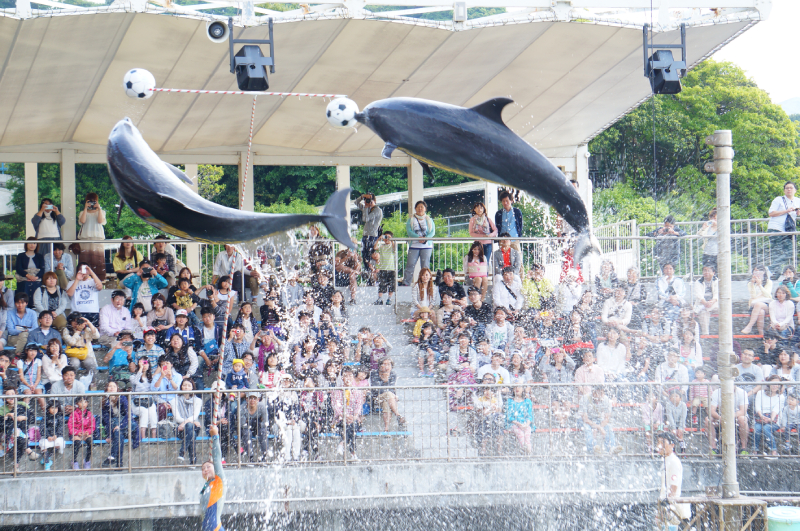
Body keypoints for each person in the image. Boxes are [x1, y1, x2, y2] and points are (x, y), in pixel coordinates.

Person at [655, 432, 691, 527]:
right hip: (664, 504)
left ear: (672, 445)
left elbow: (673, 487)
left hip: (670, 507)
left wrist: (668, 507)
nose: (659, 446)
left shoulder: (673, 461)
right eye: (658, 443)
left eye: (663, 443)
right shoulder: (665, 460)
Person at [707, 381, 750, 455]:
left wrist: (730, 417)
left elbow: (742, 411)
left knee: (742, 419)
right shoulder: (716, 392)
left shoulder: (742, 392)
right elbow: (711, 410)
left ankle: (744, 448)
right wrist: (720, 417)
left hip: (737, 416)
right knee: (708, 420)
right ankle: (713, 448)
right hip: (722, 416)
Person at [768, 182, 800, 277]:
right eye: (786, 188)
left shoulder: (798, 200)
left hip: (788, 230)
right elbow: (771, 213)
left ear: (795, 190)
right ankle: (776, 273)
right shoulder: (778, 199)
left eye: (791, 188)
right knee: (776, 251)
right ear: (784, 190)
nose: (789, 190)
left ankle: (772, 267)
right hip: (775, 228)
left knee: (790, 251)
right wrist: (786, 211)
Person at [332, 366, 365, 460]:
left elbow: (358, 406)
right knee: (347, 426)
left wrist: (354, 417)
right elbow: (336, 406)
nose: (348, 378)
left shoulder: (357, 391)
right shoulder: (337, 390)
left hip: (353, 419)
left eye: (350, 375)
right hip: (340, 419)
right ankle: (353, 453)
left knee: (352, 426)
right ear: (342, 378)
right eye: (345, 376)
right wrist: (344, 416)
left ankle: (342, 444)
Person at [580, 386, 622, 455]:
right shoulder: (585, 398)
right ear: (593, 393)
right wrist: (599, 427)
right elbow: (585, 419)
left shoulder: (606, 400)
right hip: (583, 420)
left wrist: (600, 427)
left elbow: (607, 418)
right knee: (587, 428)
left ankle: (611, 448)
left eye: (601, 393)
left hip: (598, 419)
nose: (599, 396)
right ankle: (593, 448)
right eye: (597, 393)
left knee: (608, 427)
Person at [402, 200, 435, 286]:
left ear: (425, 209)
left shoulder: (429, 220)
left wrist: (425, 238)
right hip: (414, 245)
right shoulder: (411, 220)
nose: (420, 208)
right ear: (415, 208)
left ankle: (425, 283)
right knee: (410, 264)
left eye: (422, 207)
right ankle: (406, 282)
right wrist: (418, 237)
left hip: (426, 246)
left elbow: (432, 232)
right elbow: (409, 232)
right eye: (418, 207)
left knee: (425, 266)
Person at [200, 424, 225, 531]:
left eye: (208, 467)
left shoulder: (218, 481)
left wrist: (215, 436)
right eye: (202, 468)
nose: (205, 469)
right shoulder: (205, 487)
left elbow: (216, 457)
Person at [77, 192, 107, 281]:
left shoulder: (101, 212)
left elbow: (100, 221)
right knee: (85, 260)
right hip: (85, 239)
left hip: (97, 238)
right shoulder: (83, 212)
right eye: (90, 201)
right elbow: (82, 221)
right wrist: (86, 208)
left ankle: (99, 280)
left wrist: (99, 208)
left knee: (98, 260)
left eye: (94, 201)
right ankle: (84, 278)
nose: (92, 203)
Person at [172, 379, 203, 464]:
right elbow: (177, 418)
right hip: (179, 428)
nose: (186, 387)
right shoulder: (175, 400)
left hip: (192, 427)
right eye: (184, 385)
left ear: (192, 387)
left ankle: (182, 452)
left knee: (190, 428)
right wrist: (190, 422)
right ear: (181, 387)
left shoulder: (198, 400)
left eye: (189, 385)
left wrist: (187, 423)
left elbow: (195, 415)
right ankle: (193, 461)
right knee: (191, 433)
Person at [100, 381, 129, 468]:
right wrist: (109, 434)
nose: (112, 388)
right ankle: (119, 462)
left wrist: (121, 425)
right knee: (118, 434)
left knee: (117, 431)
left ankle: (112, 456)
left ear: (117, 389)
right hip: (115, 425)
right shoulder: (105, 401)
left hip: (127, 423)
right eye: (110, 386)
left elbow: (129, 415)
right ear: (106, 389)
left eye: (114, 386)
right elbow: (106, 420)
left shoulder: (122, 398)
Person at [753, 375, 784, 456]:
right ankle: (755, 450)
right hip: (760, 417)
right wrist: (761, 416)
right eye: (773, 383)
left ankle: (773, 450)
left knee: (766, 428)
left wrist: (770, 419)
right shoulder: (760, 393)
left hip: (774, 420)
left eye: (777, 384)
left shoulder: (781, 396)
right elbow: (757, 406)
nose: (775, 386)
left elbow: (776, 409)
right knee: (757, 428)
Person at [473, 372, 503, 455]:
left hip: (494, 418)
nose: (488, 381)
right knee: (486, 421)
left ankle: (499, 449)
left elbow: (499, 408)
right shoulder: (478, 394)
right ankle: (483, 448)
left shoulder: (496, 394)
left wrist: (492, 409)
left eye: (490, 379)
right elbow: (479, 409)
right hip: (482, 418)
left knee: (498, 419)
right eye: (486, 379)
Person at [130, 355, 158, 440]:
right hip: (137, 401)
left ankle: (153, 436)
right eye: (142, 363)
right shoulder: (133, 376)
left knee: (153, 412)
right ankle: (143, 436)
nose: (144, 365)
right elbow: (135, 382)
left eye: (145, 363)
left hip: (149, 401)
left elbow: (155, 390)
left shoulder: (152, 378)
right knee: (144, 412)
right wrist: (140, 370)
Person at [356, 192, 383, 273]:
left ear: (374, 200)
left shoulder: (377, 210)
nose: (366, 202)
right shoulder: (366, 208)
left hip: (372, 236)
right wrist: (362, 197)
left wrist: (366, 208)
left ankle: (373, 276)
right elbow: (356, 203)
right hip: (365, 235)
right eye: (365, 200)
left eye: (369, 200)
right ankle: (368, 276)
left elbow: (366, 219)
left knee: (371, 257)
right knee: (364, 256)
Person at [741, 265, 773, 335]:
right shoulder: (750, 283)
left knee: (759, 304)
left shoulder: (768, 282)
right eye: (755, 271)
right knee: (761, 312)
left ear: (763, 272)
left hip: (766, 304)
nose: (756, 273)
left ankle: (749, 326)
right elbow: (753, 296)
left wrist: (760, 285)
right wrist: (752, 284)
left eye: (758, 271)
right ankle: (761, 334)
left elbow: (767, 295)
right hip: (755, 306)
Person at [240, 391, 269, 462]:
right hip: (246, 429)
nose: (252, 400)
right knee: (246, 433)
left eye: (254, 398)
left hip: (258, 427)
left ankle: (265, 456)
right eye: (250, 398)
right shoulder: (242, 408)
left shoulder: (262, 406)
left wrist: (250, 422)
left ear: (258, 399)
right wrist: (257, 421)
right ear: (246, 399)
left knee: (263, 432)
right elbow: (242, 424)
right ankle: (251, 457)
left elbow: (265, 422)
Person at [151, 356, 183, 420]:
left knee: (179, 410)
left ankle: (180, 425)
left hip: (175, 400)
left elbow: (177, 389)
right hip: (161, 401)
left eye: (167, 363)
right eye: (163, 364)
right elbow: (153, 390)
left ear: (171, 364)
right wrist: (161, 377)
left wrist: (170, 379)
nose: (165, 366)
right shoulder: (156, 376)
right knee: (161, 408)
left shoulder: (178, 376)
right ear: (160, 366)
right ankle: (162, 426)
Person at [505, 384, 534, 454]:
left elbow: (530, 415)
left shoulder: (527, 401)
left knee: (527, 434)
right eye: (515, 387)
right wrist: (518, 423)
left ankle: (528, 451)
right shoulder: (509, 401)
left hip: (525, 424)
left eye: (519, 387)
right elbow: (509, 416)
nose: (517, 388)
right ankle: (524, 449)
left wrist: (527, 424)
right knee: (520, 432)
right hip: (513, 423)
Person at [68, 395, 94, 470]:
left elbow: (92, 426)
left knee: (90, 441)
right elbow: (70, 426)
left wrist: (87, 432)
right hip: (76, 433)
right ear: (77, 403)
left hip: (85, 433)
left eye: (85, 402)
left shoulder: (89, 413)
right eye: (81, 402)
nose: (83, 404)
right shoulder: (74, 413)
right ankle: (74, 461)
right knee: (77, 442)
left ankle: (87, 460)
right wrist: (77, 432)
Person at [38, 399, 65, 470]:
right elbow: (42, 427)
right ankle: (47, 462)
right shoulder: (45, 417)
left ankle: (47, 457)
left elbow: (60, 427)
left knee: (58, 444)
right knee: (44, 445)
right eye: (52, 408)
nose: (54, 410)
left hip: (57, 436)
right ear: (48, 408)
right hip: (47, 436)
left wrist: (56, 435)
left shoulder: (59, 417)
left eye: (56, 408)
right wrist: (48, 436)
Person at [17, 343, 45, 411]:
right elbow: (22, 378)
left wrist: (34, 385)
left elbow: (38, 376)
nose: (33, 353)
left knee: (39, 393)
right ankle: (22, 412)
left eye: (35, 351)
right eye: (31, 351)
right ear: (26, 351)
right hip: (25, 383)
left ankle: (45, 412)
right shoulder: (20, 362)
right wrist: (29, 386)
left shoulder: (38, 361)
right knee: (28, 393)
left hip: (36, 383)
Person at [693, 265, 719, 336]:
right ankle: (706, 334)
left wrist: (712, 302)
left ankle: (725, 333)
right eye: (705, 270)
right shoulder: (698, 282)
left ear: (713, 272)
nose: (706, 272)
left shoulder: (717, 281)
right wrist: (705, 303)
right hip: (703, 304)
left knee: (724, 310)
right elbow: (698, 295)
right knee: (703, 312)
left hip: (714, 304)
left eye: (709, 270)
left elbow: (718, 294)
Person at [373, 231, 396, 306]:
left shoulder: (392, 246)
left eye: (388, 237)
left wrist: (391, 240)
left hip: (391, 268)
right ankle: (380, 298)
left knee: (391, 284)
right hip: (382, 268)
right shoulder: (382, 246)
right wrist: (378, 239)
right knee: (381, 284)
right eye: (385, 237)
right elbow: (375, 248)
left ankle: (389, 298)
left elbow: (395, 248)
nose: (386, 239)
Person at [665, 389, 688, 454]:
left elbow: (683, 417)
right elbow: (669, 417)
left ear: (680, 398)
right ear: (670, 398)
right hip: (672, 424)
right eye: (672, 396)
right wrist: (673, 427)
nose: (674, 398)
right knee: (673, 435)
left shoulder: (683, 405)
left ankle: (683, 451)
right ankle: (673, 451)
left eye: (676, 396)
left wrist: (680, 427)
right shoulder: (668, 405)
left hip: (681, 423)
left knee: (680, 435)